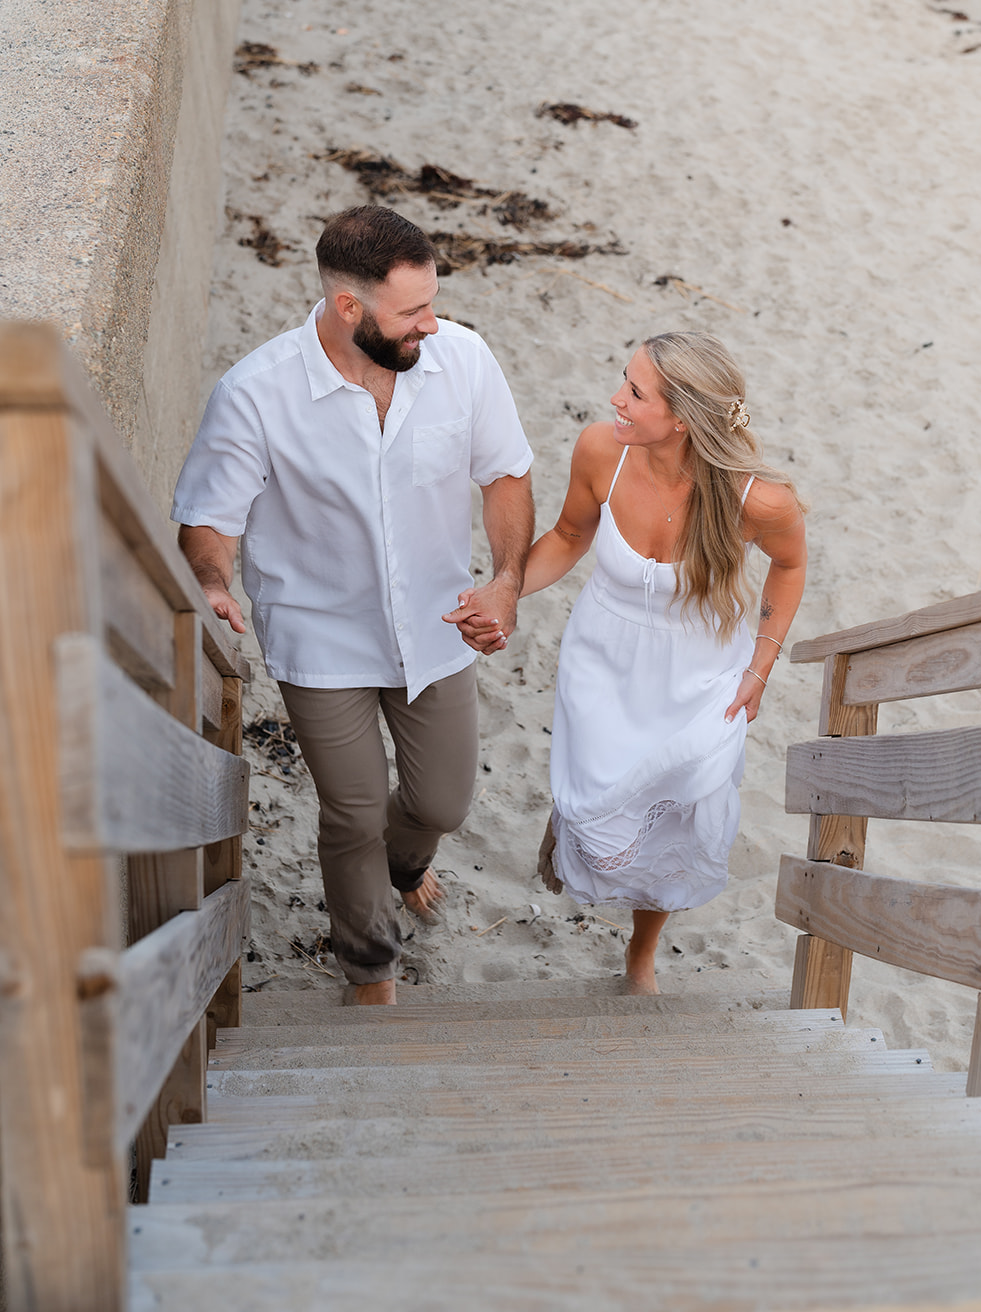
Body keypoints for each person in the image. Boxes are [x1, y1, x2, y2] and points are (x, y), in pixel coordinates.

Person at [172, 205, 534, 1006]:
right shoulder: (254, 393)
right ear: (347, 308)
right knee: (355, 810)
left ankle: (405, 867)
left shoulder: (463, 359)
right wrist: (212, 582)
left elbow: (505, 473)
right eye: (411, 312)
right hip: (320, 635)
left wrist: (505, 580)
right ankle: (370, 968)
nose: (431, 325)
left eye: (432, 303)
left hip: (438, 628)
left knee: (440, 800)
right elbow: (208, 519)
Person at [458, 331, 806, 994]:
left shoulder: (758, 501)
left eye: (635, 392)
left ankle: (640, 956)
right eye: (624, 379)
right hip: (602, 665)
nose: (615, 399)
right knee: (598, 803)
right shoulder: (601, 450)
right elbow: (565, 538)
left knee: (676, 817)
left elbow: (789, 567)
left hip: (700, 679)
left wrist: (759, 668)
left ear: (681, 419)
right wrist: (502, 591)